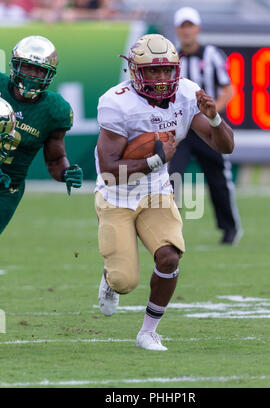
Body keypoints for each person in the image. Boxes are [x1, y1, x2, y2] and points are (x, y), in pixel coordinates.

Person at [94, 34, 234, 351]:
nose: (160, 78)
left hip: (157, 192)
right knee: (124, 281)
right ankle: (109, 278)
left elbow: (226, 146)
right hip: (117, 197)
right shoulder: (117, 102)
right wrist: (157, 159)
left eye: (165, 70)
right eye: (152, 71)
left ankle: (148, 331)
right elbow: (108, 170)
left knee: (169, 256)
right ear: (135, 70)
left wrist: (214, 116)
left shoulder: (186, 93)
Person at [169, 6, 242, 245]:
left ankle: (229, 228)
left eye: (190, 26)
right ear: (177, 30)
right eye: (183, 26)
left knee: (218, 180)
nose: (187, 31)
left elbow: (228, 89)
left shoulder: (211, 54)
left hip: (207, 128)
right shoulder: (171, 58)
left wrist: (212, 116)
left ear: (197, 28)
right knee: (170, 179)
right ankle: (167, 229)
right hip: (181, 129)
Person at [0, 35, 83, 235]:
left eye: (40, 70)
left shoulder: (54, 109)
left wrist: (66, 173)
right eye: (28, 67)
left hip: (6, 189)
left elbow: (55, 160)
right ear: (15, 65)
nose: (33, 75)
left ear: (50, 75)